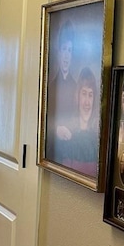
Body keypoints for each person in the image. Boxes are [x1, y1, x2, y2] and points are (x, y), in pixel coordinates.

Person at [55, 67, 99, 176]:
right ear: (77, 96)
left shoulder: (98, 136)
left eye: (90, 95)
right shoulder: (65, 132)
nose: (87, 102)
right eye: (84, 93)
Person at [46, 19, 77, 161]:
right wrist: (56, 130)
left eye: (69, 50)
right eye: (64, 49)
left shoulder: (77, 88)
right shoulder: (50, 87)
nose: (66, 55)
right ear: (58, 52)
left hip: (71, 151)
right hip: (52, 151)